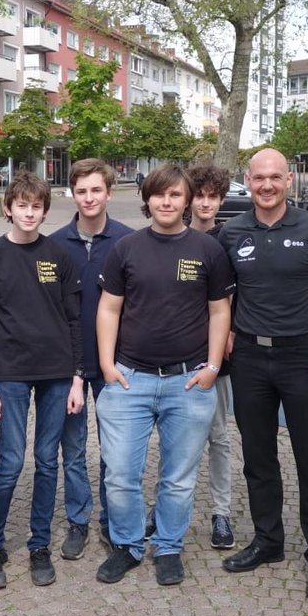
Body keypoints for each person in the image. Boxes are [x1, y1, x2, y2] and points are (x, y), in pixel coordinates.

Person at [218, 148, 308, 601]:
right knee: (258, 459)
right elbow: (218, 294)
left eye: (275, 177)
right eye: (258, 178)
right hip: (248, 359)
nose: (266, 185)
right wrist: (223, 335)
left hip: (302, 357)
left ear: (289, 180)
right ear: (248, 179)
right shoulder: (231, 232)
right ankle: (268, 541)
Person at [94, 165, 234, 586]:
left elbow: (219, 311)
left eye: (175, 195)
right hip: (129, 379)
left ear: (188, 199)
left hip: (188, 383)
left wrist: (212, 368)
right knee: (119, 474)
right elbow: (109, 308)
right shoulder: (126, 248)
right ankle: (129, 544)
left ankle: (169, 546)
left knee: (178, 477)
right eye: (159, 195)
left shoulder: (208, 251)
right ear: (148, 199)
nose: (167, 202)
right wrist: (106, 365)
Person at [0, 172, 84, 589]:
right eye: (22, 205)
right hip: (11, 373)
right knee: (11, 462)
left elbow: (75, 321)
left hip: (56, 374)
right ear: (8, 209)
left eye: (36, 206)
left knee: (47, 461)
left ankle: (39, 545)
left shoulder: (59, 255)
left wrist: (77, 379)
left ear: (45, 210)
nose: (29, 212)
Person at [49, 158, 133, 559]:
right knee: (74, 448)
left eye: (96, 190)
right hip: (68, 367)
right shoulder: (53, 245)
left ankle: (112, 521)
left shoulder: (129, 242)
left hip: (115, 364)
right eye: (81, 191)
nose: (88, 198)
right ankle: (78, 520)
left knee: (115, 453)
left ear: (109, 193)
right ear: (72, 194)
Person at [186, 163, 237, 549]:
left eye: (212, 197)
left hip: (216, 353)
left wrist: (229, 332)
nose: (205, 203)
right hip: (179, 352)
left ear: (220, 200)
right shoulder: (174, 235)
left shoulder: (230, 239)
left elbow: (239, 293)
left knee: (219, 436)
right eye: (199, 195)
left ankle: (222, 512)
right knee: (177, 437)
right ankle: (171, 506)